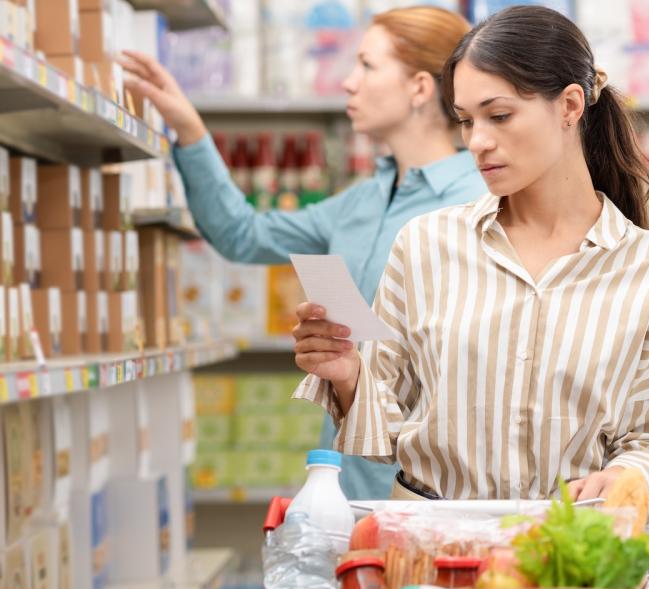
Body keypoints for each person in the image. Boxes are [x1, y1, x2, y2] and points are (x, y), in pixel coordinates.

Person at [290, 5, 649, 521]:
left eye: (498, 115)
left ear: (570, 105)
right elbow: (385, 431)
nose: (477, 141)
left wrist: (624, 477)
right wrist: (347, 375)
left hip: (570, 552)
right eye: (465, 120)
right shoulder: (424, 246)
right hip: (432, 549)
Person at [118, 7, 487, 500]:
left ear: (420, 88)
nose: (348, 83)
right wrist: (189, 129)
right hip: (344, 475)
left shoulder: (479, 199)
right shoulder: (360, 201)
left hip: (434, 488)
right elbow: (242, 234)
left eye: (367, 66)